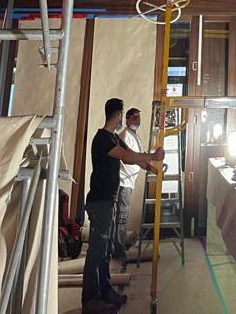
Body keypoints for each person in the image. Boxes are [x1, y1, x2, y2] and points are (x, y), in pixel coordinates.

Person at [82, 97, 163, 314]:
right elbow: (126, 156)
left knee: (105, 250)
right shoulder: (102, 138)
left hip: (109, 200)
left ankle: (105, 290)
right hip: (100, 201)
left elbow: (132, 157)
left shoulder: (114, 138)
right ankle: (90, 299)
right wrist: (154, 155)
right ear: (119, 116)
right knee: (96, 252)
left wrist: (153, 168)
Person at [115, 107, 143, 264]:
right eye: (134, 118)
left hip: (129, 181)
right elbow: (128, 157)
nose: (137, 121)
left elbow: (137, 155)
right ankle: (117, 250)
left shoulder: (134, 136)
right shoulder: (125, 135)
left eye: (138, 118)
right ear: (127, 120)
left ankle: (119, 246)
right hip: (123, 181)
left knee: (122, 215)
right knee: (122, 216)